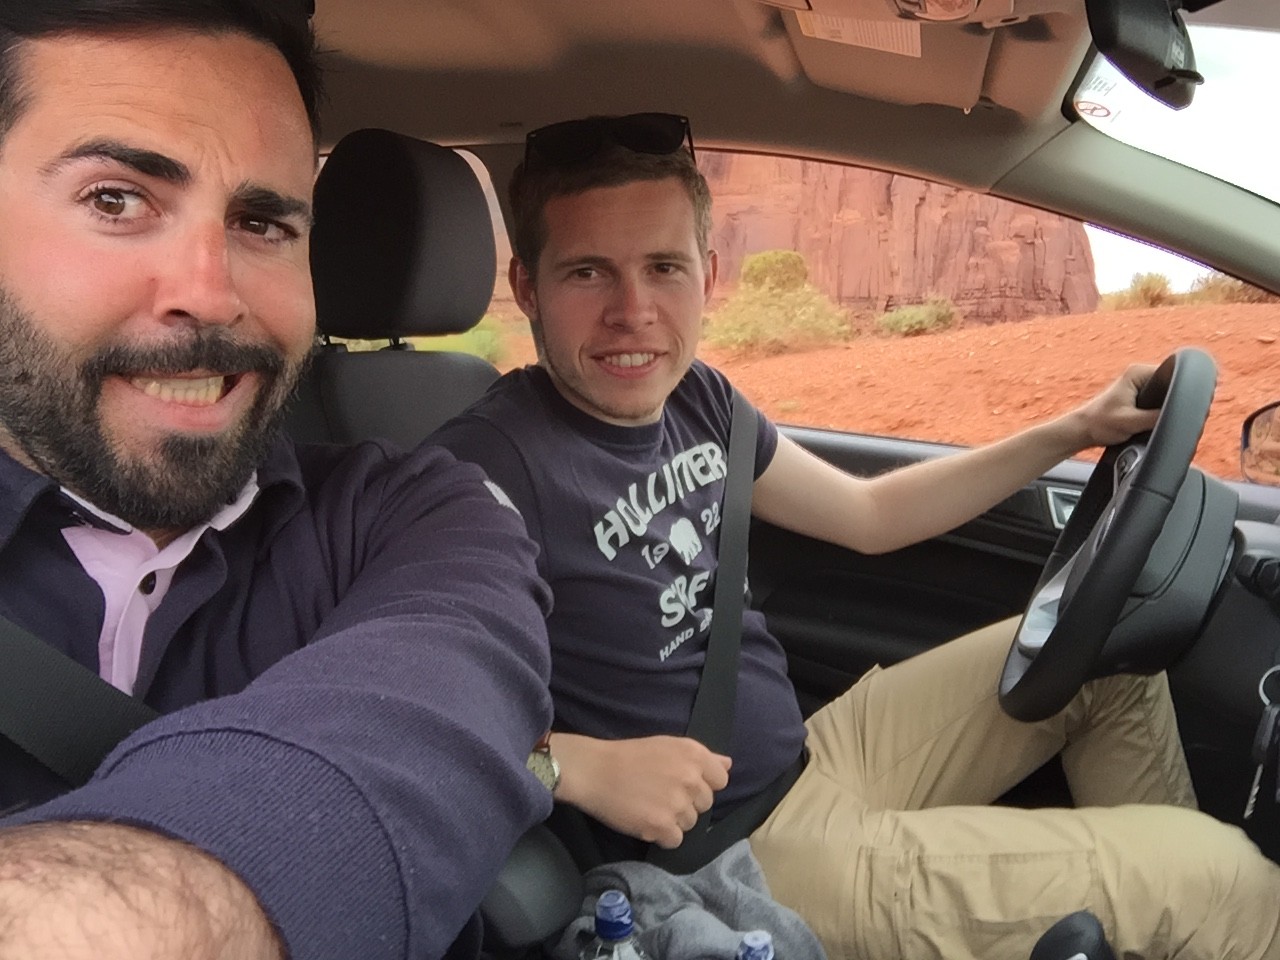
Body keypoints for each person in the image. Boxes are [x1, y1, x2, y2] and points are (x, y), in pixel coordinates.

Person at [431, 113, 1280, 959]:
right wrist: (571, 764)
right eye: (588, 272)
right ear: (529, 286)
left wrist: (1076, 428)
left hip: (816, 752)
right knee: (1229, 883)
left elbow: (869, 517)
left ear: (708, 274)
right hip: (739, 850)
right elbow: (392, 709)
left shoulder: (700, 400)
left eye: (663, 267)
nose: (633, 311)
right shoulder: (484, 471)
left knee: (1109, 664)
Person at [0, 3, 555, 958]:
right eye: (117, 200)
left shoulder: (414, 514)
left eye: (262, 222)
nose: (212, 294)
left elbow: (441, 704)